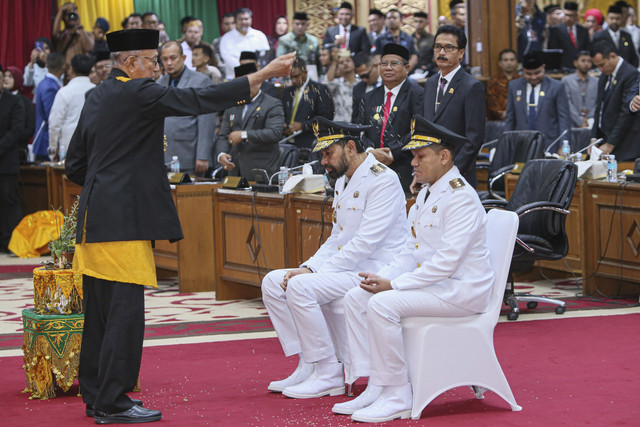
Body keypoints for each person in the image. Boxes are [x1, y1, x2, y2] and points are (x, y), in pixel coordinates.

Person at [65, 28, 295, 424]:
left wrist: (108, 185)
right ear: (131, 62)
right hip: (123, 222)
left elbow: (75, 165)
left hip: (95, 220)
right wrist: (259, 76)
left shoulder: (97, 95)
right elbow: (197, 99)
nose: (158, 67)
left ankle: (96, 394)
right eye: (153, 60)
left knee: (100, 312)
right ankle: (114, 402)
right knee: (124, 311)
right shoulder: (138, 91)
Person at [339, 115, 493, 423]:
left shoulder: (460, 197)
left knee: (382, 304)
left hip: (460, 290)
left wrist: (394, 287)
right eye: (412, 156)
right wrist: (387, 277)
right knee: (356, 297)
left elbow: (447, 264)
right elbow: (411, 251)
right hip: (435, 286)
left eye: (420, 155)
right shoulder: (427, 192)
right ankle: (377, 383)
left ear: (444, 157)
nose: (413, 162)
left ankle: (398, 394)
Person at [261, 116, 408, 399]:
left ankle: (329, 373)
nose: (324, 161)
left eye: (329, 153)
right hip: (346, 267)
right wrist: (309, 266)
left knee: (300, 286)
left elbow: (365, 243)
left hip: (376, 269)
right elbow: (337, 238)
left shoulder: (383, 180)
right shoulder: (344, 179)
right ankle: (309, 361)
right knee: (272, 282)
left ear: (351, 147)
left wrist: (315, 274)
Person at [421, 25, 485, 189]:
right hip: (431, 172)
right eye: (438, 47)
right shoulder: (430, 83)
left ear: (461, 53)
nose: (442, 53)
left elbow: (474, 138)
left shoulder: (471, 86)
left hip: (458, 175)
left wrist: (451, 170)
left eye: (449, 47)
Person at [355, 44, 425, 192]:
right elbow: (359, 129)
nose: (388, 68)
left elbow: (418, 130)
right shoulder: (368, 97)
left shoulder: (418, 95)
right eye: (384, 64)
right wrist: (370, 151)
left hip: (404, 166)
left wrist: (392, 153)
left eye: (394, 64)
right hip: (371, 167)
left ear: (406, 68)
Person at [156, 41, 217, 176]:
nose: (169, 63)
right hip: (164, 154)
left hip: (189, 152)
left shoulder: (201, 81)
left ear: (183, 58)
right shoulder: (159, 83)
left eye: (173, 58)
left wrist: (203, 154)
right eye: (165, 59)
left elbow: (206, 119)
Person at [216, 63, 285, 179]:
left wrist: (244, 135)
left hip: (261, 170)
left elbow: (275, 133)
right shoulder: (232, 105)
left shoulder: (272, 104)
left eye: (244, 85)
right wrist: (221, 154)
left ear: (257, 83)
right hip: (234, 170)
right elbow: (223, 135)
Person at [505, 51, 571, 153]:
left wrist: (563, 144)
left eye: (537, 73)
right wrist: (507, 143)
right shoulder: (514, 86)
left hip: (550, 143)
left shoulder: (557, 87)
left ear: (543, 68)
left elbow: (564, 118)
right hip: (521, 143)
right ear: (523, 70)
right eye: (529, 74)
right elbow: (510, 118)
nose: (533, 77)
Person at [591, 40, 640, 162]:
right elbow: (599, 108)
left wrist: (611, 144)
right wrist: (594, 137)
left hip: (624, 144)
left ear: (612, 56)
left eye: (601, 65)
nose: (600, 69)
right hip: (605, 138)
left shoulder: (631, 74)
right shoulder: (604, 75)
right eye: (597, 66)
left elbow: (626, 113)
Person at [48, 54, 95, 160]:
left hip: (69, 147)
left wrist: (53, 149)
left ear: (71, 70)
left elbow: (54, 124)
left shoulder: (64, 92)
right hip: (93, 146)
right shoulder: (99, 91)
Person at [0, 64, 26, 253]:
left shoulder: (14, 102)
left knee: (8, 201)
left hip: (6, 162)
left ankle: (12, 243)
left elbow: (16, 130)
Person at [282, 58, 334, 151]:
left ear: (305, 73)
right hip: (287, 143)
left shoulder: (319, 90)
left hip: (310, 143)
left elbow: (326, 118)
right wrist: (283, 125)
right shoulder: (287, 92)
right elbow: (283, 113)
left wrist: (303, 125)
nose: (293, 80)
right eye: (291, 77)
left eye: (296, 76)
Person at [219, 8, 270, 80]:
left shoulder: (260, 35)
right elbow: (228, 59)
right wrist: (247, 70)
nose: (243, 21)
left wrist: (254, 71)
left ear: (251, 19)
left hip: (258, 76)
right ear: (235, 20)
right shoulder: (226, 38)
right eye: (240, 19)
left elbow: (264, 57)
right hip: (234, 78)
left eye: (246, 19)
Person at [33, 52, 65, 161]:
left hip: (46, 139)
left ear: (47, 65)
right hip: (47, 141)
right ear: (63, 67)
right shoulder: (50, 87)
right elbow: (51, 116)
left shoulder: (45, 83)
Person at [3, 66, 35, 164]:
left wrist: (10, 135)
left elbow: (30, 129)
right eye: (4, 76)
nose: (6, 79)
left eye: (10, 76)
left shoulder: (25, 102)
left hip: (17, 151)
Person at [548, 2, 590, 70]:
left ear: (576, 15)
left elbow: (587, 49)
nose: (568, 18)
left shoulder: (583, 31)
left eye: (571, 15)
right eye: (566, 15)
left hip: (581, 68)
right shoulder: (555, 30)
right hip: (563, 68)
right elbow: (553, 52)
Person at [561, 51, 598, 128]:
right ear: (575, 63)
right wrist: (579, 121)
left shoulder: (596, 81)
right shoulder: (567, 80)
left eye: (589, 61)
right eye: (583, 61)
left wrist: (589, 119)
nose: (586, 64)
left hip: (591, 123)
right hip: (572, 123)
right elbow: (567, 103)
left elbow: (598, 103)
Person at [486, 48, 519, 121]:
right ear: (500, 63)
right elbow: (492, 103)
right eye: (505, 60)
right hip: (499, 120)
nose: (509, 62)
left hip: (520, 117)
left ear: (517, 62)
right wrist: (503, 114)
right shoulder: (493, 81)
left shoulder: (522, 80)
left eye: (512, 60)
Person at [326, 49, 356, 122]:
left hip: (357, 125)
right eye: (341, 62)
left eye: (348, 61)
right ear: (338, 68)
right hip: (339, 124)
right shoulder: (337, 84)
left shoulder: (361, 83)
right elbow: (328, 82)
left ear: (354, 64)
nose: (345, 63)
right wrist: (334, 62)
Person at [352, 52, 381, 122]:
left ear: (376, 65)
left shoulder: (389, 83)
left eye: (366, 75)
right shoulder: (358, 89)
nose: (364, 80)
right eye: (361, 77)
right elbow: (356, 117)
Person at [23, 37, 53, 102]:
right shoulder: (32, 66)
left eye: (46, 48)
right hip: (37, 102)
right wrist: (32, 63)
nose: (44, 51)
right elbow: (27, 83)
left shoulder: (55, 65)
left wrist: (46, 62)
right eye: (41, 48)